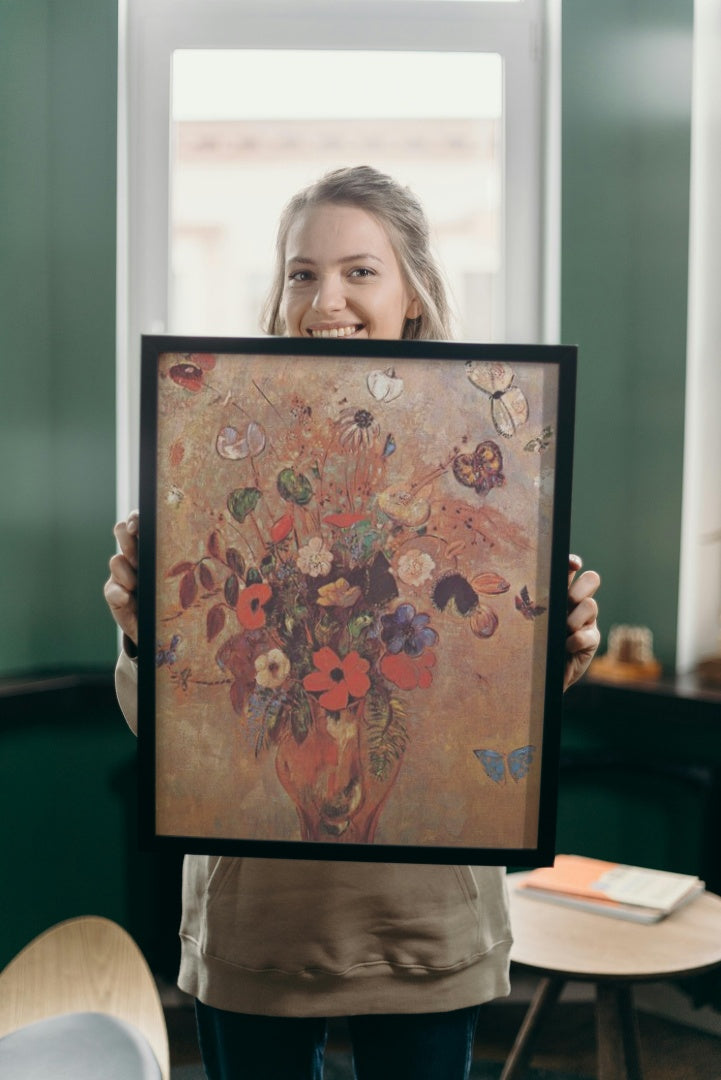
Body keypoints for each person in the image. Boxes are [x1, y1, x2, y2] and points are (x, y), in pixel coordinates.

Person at [105, 166, 601, 1080]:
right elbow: (173, 731)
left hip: (422, 922)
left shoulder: (479, 462)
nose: (324, 298)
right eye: (301, 273)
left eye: (358, 271)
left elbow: (488, 711)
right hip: (258, 923)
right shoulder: (220, 457)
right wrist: (145, 637)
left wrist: (557, 647)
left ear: (412, 292)